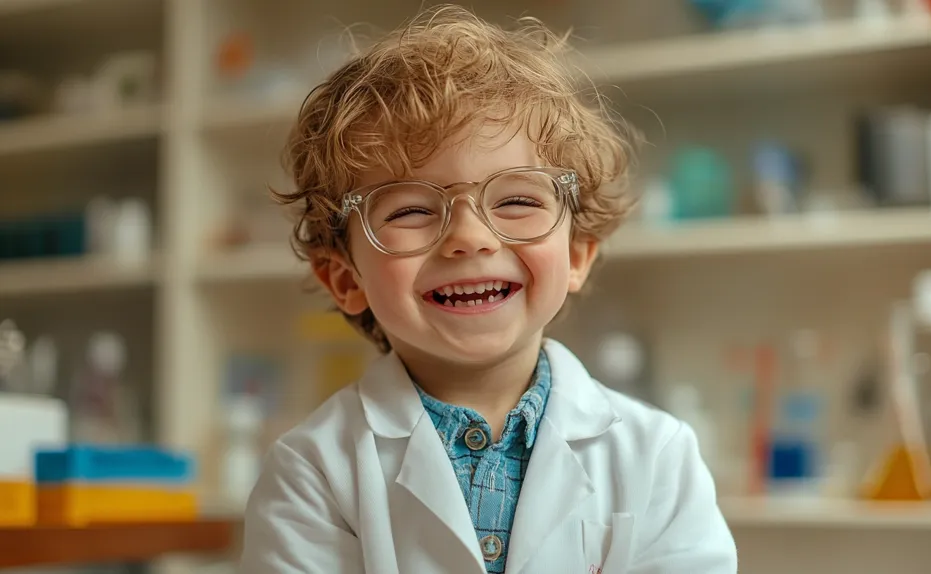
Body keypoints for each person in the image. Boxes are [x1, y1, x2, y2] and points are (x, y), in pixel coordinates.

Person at [240, 5, 737, 573]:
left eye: (518, 201)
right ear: (346, 280)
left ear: (576, 255)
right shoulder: (312, 471)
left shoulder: (658, 457)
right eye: (410, 209)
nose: (470, 238)